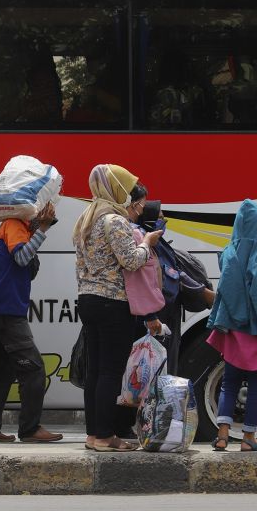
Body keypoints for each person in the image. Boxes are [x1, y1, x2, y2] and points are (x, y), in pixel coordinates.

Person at [71, 165, 162, 452]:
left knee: (96, 370)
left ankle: (92, 434)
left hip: (88, 299)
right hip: (113, 303)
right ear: (119, 191)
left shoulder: (86, 219)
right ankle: (105, 436)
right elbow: (132, 261)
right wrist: (147, 243)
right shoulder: (115, 221)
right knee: (110, 371)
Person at [0, 201, 64, 444]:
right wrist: (43, 230)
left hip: (1, 308)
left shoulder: (13, 227)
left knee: (0, 373)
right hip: (8, 312)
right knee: (34, 370)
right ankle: (29, 429)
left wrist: (39, 229)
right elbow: (22, 258)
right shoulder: (14, 225)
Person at [207, 199, 257, 452]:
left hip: (233, 327)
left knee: (230, 382)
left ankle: (222, 435)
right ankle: (249, 438)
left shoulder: (229, 252)